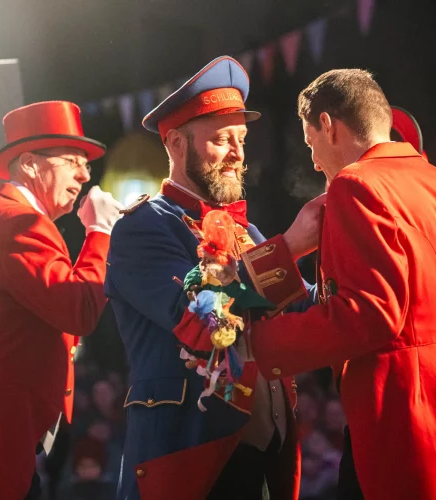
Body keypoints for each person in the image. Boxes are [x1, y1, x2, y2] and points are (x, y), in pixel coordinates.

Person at [105, 56, 322, 500]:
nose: (238, 154)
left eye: (242, 139)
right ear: (176, 143)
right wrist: (289, 247)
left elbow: (302, 306)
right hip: (189, 458)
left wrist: (353, 255)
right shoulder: (143, 228)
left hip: (264, 458)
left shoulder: (247, 232)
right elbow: (201, 319)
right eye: (222, 139)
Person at [246, 69, 436, 499]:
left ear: (328, 125)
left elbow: (370, 312)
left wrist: (259, 342)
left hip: (401, 412)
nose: (315, 162)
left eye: (311, 143)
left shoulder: (354, 184)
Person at [0, 101, 123, 500]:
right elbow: (79, 308)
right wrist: (100, 230)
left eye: (86, 165)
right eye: (72, 161)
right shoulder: (17, 222)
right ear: (29, 163)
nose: (84, 175)